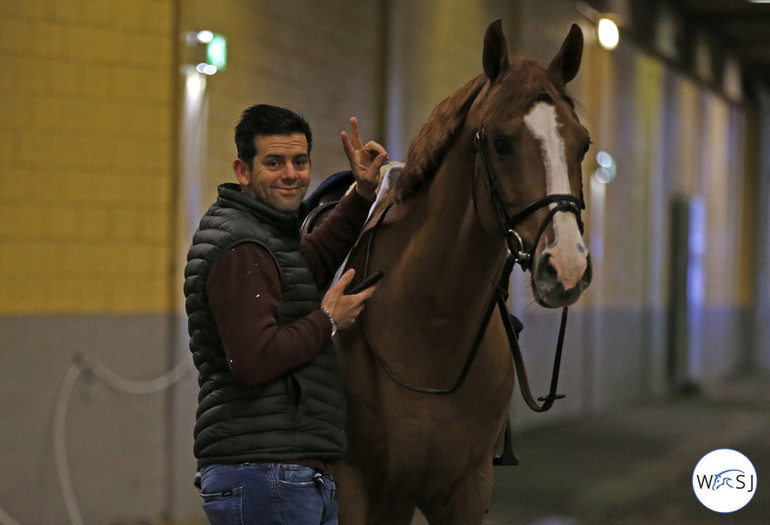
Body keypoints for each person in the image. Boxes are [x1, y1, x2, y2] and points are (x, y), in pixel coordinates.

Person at [184, 104, 389, 525]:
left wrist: (362, 194)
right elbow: (255, 358)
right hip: (266, 472)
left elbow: (308, 267)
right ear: (243, 171)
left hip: (281, 471)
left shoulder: (263, 233)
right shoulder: (242, 244)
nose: (291, 174)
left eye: (300, 162)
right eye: (274, 163)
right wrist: (328, 321)